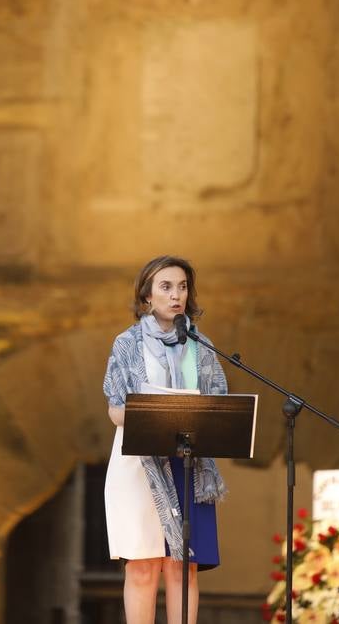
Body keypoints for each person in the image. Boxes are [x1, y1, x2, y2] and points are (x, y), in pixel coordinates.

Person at [103, 255, 228, 624]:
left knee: (182, 568)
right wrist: (163, 414)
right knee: (142, 567)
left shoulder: (200, 345)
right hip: (139, 464)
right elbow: (115, 408)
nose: (177, 295)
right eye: (166, 286)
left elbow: (217, 401)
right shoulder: (127, 343)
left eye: (183, 286)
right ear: (146, 296)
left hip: (188, 461)